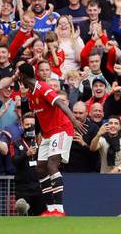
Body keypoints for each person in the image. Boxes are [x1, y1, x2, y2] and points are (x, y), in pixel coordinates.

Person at [17, 63, 86, 216]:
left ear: (22, 75)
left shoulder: (42, 87)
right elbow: (34, 115)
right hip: (47, 133)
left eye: (18, 73)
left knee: (51, 165)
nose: (16, 76)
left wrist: (74, 120)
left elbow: (60, 102)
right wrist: (36, 136)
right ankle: (50, 209)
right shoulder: (30, 93)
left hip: (61, 129)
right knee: (40, 168)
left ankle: (59, 209)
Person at [12, 112, 46, 216]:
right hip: (23, 187)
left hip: (39, 187)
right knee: (23, 216)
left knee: (40, 217)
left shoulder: (42, 142)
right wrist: (26, 154)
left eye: (32, 125)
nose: (30, 127)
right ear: (22, 125)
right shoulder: (16, 143)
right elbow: (13, 161)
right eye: (27, 124)